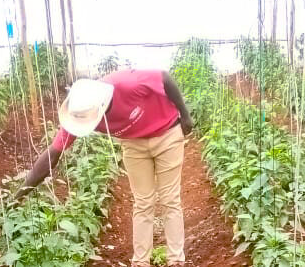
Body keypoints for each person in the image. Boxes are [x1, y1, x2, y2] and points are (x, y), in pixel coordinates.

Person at [16, 69, 193, 267]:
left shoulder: (126, 84)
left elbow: (164, 77)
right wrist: (18, 197)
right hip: (133, 144)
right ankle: (141, 262)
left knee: (170, 199)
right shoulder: (81, 110)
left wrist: (185, 116)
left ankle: (176, 260)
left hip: (167, 134)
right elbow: (53, 154)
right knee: (143, 202)